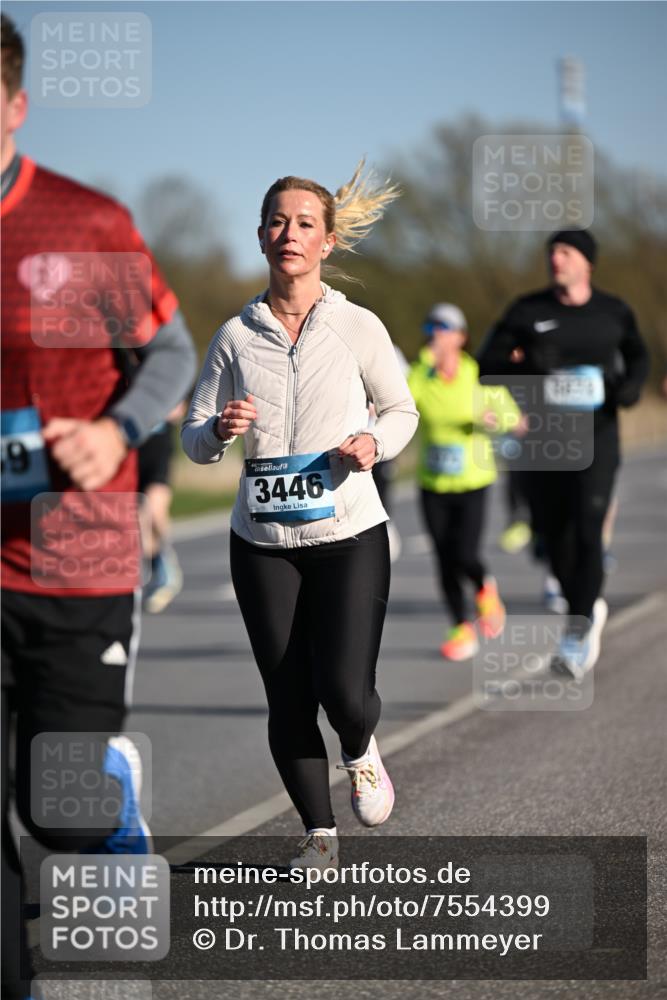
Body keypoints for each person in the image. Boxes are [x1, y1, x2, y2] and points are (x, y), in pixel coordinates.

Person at [1, 15, 197, 1000]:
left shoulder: (78, 225)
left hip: (76, 553)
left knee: (60, 813)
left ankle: (108, 820)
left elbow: (168, 356)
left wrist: (119, 436)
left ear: (16, 106)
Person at [182, 162, 418, 870]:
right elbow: (192, 440)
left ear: (327, 243)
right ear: (261, 237)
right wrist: (219, 429)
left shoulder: (357, 326)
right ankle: (318, 832)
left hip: (348, 531)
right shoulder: (234, 336)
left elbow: (402, 408)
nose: (290, 233)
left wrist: (375, 441)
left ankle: (358, 747)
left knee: (344, 691)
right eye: (278, 222)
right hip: (260, 543)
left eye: (305, 223)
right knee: (286, 695)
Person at [478, 229, 649, 679]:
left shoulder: (612, 312)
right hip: (543, 437)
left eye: (566, 251)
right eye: (552, 251)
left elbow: (638, 357)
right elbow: (487, 363)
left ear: (587, 262)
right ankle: (585, 601)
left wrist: (626, 392)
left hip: (597, 436)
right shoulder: (527, 311)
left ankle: (579, 627)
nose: (556, 258)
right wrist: (530, 372)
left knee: (589, 526)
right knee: (553, 535)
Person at [408, 303, 518, 660]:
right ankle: (460, 627)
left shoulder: (479, 375)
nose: (437, 336)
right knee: (444, 558)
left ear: (461, 336)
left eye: (445, 329)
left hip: (473, 481)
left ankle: (486, 590)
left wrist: (493, 420)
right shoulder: (420, 377)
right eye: (432, 329)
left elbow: (515, 421)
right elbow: (398, 404)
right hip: (432, 483)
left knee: (466, 553)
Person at [139, 401, 187, 613]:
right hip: (132, 450)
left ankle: (165, 560)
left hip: (158, 448)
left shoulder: (161, 368)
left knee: (155, 508)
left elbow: (180, 406)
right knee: (140, 523)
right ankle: (158, 565)